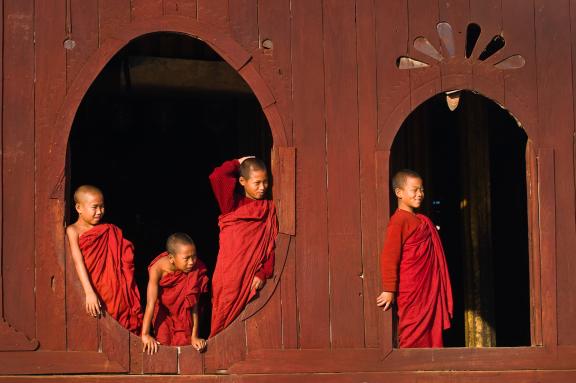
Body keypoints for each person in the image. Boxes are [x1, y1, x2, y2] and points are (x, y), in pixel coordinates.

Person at [376, 170, 453, 348]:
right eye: (415, 189)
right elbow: (389, 256)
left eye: (422, 190)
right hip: (411, 288)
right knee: (412, 329)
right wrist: (389, 289)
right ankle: (409, 367)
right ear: (399, 193)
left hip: (427, 287)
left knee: (430, 329)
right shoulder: (399, 221)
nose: (420, 194)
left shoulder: (422, 221)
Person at [209, 156, 278, 337]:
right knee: (222, 320)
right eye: (257, 183)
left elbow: (273, 243)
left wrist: (263, 272)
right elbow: (217, 177)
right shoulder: (232, 204)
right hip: (229, 275)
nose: (262, 187)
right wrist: (237, 162)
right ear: (242, 181)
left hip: (253, 278)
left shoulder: (269, 210)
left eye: (265, 182)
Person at [66, 185, 142, 333]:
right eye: (95, 207)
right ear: (79, 208)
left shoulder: (109, 231)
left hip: (113, 290)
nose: (100, 212)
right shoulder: (73, 230)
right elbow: (78, 261)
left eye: (102, 207)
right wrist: (88, 292)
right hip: (90, 287)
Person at [141, 233, 209, 354]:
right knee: (163, 345)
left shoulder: (195, 268)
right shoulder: (157, 269)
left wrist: (195, 336)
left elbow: (194, 305)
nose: (191, 262)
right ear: (172, 258)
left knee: (186, 347)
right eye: (186, 258)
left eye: (194, 256)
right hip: (163, 312)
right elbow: (150, 303)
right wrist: (145, 334)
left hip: (185, 313)